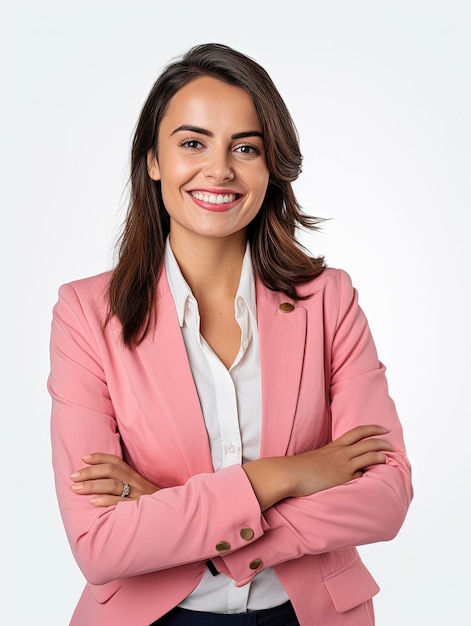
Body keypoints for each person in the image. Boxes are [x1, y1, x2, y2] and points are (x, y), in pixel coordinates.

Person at [48, 43, 413, 626]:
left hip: (309, 612)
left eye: (245, 148)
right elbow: (99, 544)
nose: (219, 169)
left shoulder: (330, 300)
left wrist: (173, 512)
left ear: (271, 168)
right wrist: (287, 474)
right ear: (153, 160)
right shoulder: (86, 314)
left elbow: (385, 498)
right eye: (193, 143)